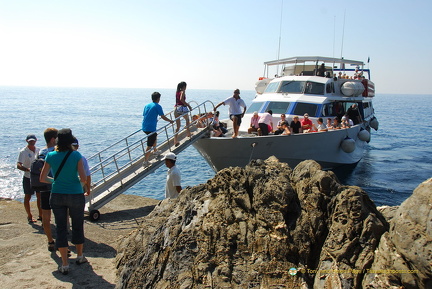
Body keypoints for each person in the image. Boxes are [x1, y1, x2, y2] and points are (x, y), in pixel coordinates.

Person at [40, 128, 88, 275]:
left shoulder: (51, 155)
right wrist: (75, 184)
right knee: (77, 225)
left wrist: (56, 181)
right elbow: (84, 178)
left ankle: (65, 264)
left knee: (61, 228)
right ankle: (80, 257)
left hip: (57, 194)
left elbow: (42, 178)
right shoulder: (76, 155)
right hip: (75, 194)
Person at [37, 128, 58, 251]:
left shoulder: (41, 152)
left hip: (44, 187)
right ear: (52, 139)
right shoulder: (55, 152)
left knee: (46, 216)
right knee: (61, 215)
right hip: (56, 187)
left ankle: (50, 240)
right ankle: (63, 242)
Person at [142, 92, 174, 166]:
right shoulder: (158, 106)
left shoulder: (147, 105)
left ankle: (155, 151)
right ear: (158, 98)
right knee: (149, 145)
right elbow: (162, 116)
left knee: (155, 136)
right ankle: (145, 162)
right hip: (151, 128)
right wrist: (170, 121)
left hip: (144, 126)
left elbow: (145, 114)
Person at [17, 134, 41, 223]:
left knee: (39, 196)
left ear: (36, 140)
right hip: (28, 177)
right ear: (27, 141)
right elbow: (19, 165)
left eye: (33, 140)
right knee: (28, 196)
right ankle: (29, 215)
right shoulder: (23, 152)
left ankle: (41, 215)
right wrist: (27, 169)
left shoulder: (38, 150)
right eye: (30, 141)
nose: (32, 142)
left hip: (38, 177)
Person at [173, 81, 193, 146]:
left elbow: (178, 100)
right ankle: (188, 133)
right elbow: (181, 99)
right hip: (182, 109)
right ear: (184, 86)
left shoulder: (177, 92)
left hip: (176, 108)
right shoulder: (182, 91)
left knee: (178, 126)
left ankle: (175, 140)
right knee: (187, 120)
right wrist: (188, 105)